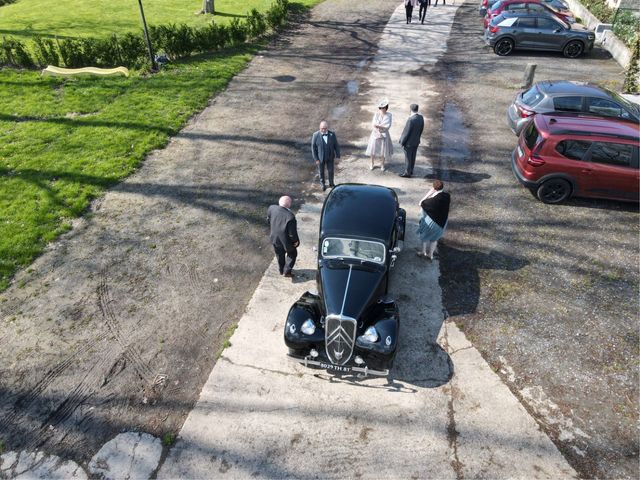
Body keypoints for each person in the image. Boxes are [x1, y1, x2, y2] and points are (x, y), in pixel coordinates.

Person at [267, 196, 300, 278]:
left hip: (274, 238)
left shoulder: (272, 208)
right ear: (289, 205)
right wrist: (296, 241)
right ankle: (287, 271)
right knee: (292, 254)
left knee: (279, 254)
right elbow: (292, 234)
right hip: (286, 241)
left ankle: (281, 269)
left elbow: (268, 219)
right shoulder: (290, 216)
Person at [417, 180, 450, 260]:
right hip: (442, 222)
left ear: (434, 188)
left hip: (432, 223)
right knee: (434, 239)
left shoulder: (432, 201)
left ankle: (423, 252)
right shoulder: (447, 196)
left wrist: (429, 193)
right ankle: (430, 255)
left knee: (424, 237)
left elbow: (421, 203)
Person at [311, 120, 341, 192]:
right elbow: (313, 148)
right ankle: (322, 184)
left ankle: (331, 183)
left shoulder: (332, 134)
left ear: (327, 127)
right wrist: (316, 159)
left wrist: (338, 156)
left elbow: (336, 146)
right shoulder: (315, 135)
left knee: (331, 171)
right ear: (319, 128)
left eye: (325, 128)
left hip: (330, 157)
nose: (324, 130)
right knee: (321, 172)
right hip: (320, 158)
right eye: (322, 128)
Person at [365, 98, 393, 172]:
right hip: (375, 134)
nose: (381, 109)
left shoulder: (389, 115)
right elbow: (373, 124)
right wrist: (380, 126)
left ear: (386, 108)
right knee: (373, 149)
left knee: (383, 150)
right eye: (380, 108)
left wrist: (379, 126)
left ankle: (382, 164)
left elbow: (388, 126)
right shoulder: (376, 114)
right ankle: (371, 163)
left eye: (383, 108)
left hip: (384, 135)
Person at [399, 104, 424, 178]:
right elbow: (421, 129)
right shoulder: (420, 117)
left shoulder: (410, 120)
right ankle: (411, 170)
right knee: (413, 156)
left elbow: (406, 133)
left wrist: (402, 142)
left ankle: (407, 173)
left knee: (408, 158)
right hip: (416, 141)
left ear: (410, 110)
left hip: (409, 143)